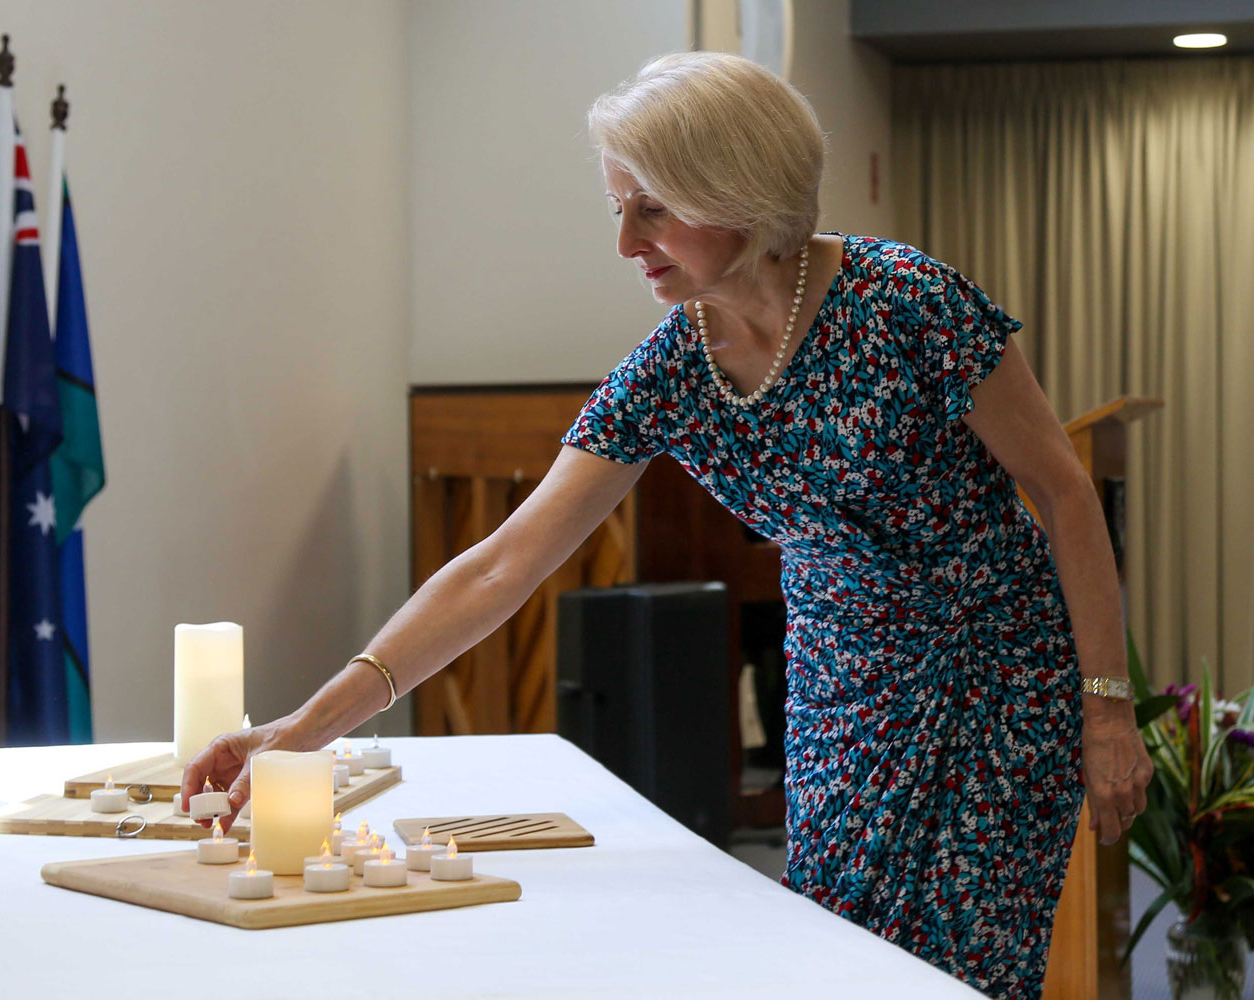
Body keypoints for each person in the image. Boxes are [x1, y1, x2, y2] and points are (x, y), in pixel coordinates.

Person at [183, 51, 1152, 999]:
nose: (626, 241)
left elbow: (1062, 491)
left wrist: (1107, 709)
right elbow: (501, 564)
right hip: (844, 681)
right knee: (836, 946)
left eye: (653, 207)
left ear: (738, 190)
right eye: (619, 208)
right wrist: (305, 728)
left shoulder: (905, 300)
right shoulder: (671, 371)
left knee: (966, 960)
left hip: (999, 669)